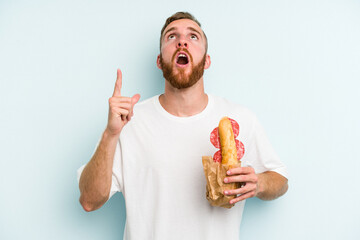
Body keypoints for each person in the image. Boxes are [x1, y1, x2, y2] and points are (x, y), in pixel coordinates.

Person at [77, 12, 288, 239]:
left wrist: (260, 184)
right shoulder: (128, 122)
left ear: (207, 60)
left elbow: (280, 180)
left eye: (193, 36)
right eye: (171, 37)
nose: (182, 41)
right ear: (160, 61)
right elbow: (89, 200)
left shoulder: (239, 118)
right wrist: (110, 134)